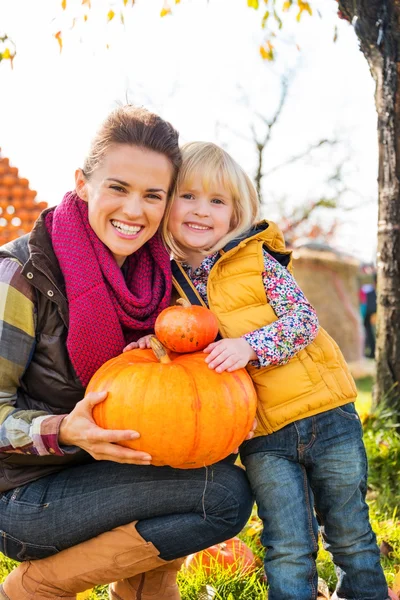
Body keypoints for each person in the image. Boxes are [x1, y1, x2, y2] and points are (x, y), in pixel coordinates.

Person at [0, 110, 254, 600]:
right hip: (23, 496)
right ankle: (34, 588)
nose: (134, 210)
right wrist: (62, 431)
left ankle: (144, 592)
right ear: (82, 184)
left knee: (205, 470)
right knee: (221, 497)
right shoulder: (21, 275)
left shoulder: (158, 277)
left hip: (105, 474)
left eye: (153, 195)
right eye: (119, 188)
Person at [129, 141, 388, 600]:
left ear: (234, 212)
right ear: (168, 205)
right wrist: (153, 344)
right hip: (261, 435)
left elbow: (302, 321)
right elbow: (179, 360)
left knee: (350, 534)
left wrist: (250, 346)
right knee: (287, 543)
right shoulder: (168, 287)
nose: (201, 210)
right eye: (188, 196)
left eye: (216, 200)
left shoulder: (256, 260)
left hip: (327, 416)